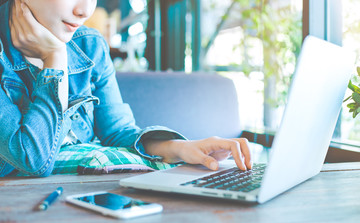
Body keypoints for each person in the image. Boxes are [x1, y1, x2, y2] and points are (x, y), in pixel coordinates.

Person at [0, 0, 252, 177]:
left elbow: (118, 132)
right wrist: (55, 59)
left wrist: (181, 148)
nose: (85, 10)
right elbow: (32, 160)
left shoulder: (89, 44)